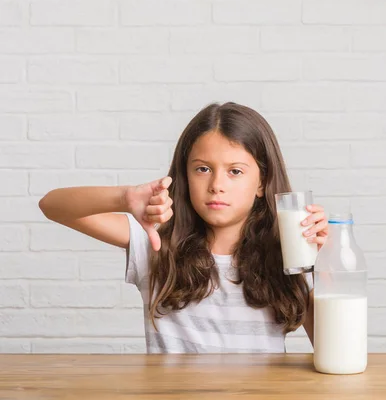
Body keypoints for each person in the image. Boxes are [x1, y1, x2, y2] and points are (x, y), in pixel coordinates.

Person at [38, 102, 329, 353]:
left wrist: (324, 264)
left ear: (262, 183)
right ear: (185, 175)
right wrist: (125, 198)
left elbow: (329, 350)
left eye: (235, 171)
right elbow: (52, 205)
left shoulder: (290, 254)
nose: (217, 186)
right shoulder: (155, 241)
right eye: (202, 169)